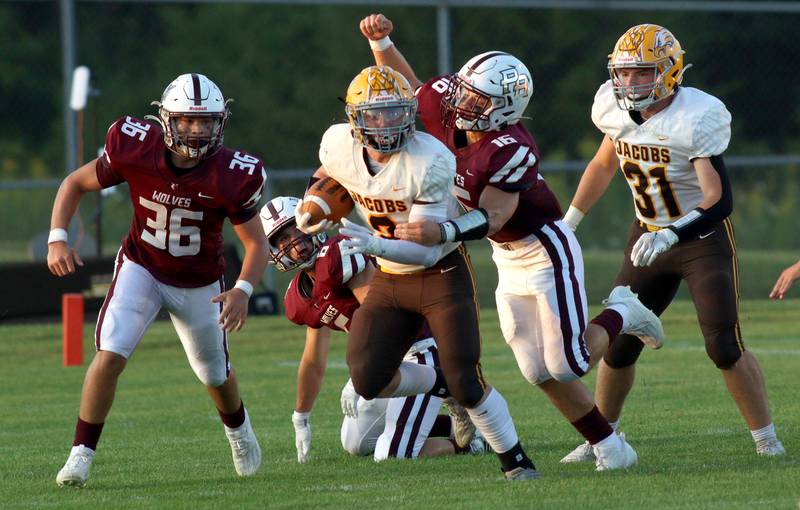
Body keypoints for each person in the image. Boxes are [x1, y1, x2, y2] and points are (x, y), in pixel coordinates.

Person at [359, 14, 665, 471]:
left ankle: (623, 310)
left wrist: (442, 232)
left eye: (477, 98)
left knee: (569, 362)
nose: (463, 101)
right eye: (464, 90)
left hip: (543, 248)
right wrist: (381, 43)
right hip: (506, 255)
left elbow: (496, 214)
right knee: (534, 370)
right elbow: (413, 84)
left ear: (505, 106)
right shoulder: (452, 106)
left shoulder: (510, 146)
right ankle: (610, 447)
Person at [294, 65, 539, 480]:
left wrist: (372, 245)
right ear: (354, 119)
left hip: (438, 272)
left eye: (395, 112)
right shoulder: (337, 144)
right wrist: (312, 208)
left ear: (410, 113)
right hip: (389, 277)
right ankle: (441, 385)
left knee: (469, 380)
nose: (386, 124)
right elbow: (328, 178)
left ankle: (515, 460)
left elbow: (422, 253)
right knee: (369, 378)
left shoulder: (431, 159)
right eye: (375, 115)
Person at [559, 24, 785, 460]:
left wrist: (671, 233)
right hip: (645, 235)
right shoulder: (614, 109)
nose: (628, 83)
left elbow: (719, 200)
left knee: (723, 345)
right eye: (623, 73)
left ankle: (766, 440)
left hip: (699, 239)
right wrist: (570, 221)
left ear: (669, 72)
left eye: (641, 73)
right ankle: (602, 439)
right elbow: (604, 164)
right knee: (619, 347)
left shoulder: (695, 115)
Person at [48, 73, 269, 487]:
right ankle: (81, 453)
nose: (197, 129)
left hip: (200, 283)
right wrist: (57, 238)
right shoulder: (135, 147)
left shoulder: (231, 173)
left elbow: (256, 244)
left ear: (220, 123)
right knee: (110, 352)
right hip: (142, 267)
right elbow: (74, 183)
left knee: (214, 375)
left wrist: (242, 289)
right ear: (167, 119)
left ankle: (239, 432)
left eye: (206, 121)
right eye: (187, 120)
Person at [261, 196, 488, 462]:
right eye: (282, 240)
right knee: (356, 442)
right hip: (383, 362)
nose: (294, 245)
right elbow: (312, 360)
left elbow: (385, 319)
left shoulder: (339, 253)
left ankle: (473, 442)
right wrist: (300, 417)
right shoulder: (297, 299)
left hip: (416, 348)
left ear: (312, 226)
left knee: (391, 454)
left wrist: (361, 374)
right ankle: (475, 426)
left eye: (295, 231)